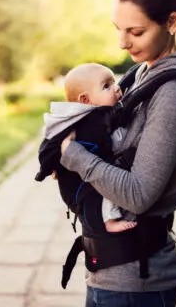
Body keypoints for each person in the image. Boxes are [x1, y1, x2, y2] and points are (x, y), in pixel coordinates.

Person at [59, 0, 176, 307]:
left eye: (135, 32)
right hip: (113, 272)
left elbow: (138, 194)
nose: (122, 43)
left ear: (172, 22)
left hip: (136, 282)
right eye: (118, 29)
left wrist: (74, 155)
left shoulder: (172, 91)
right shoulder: (139, 75)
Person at [42, 62, 137, 233]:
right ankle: (109, 220)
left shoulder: (100, 114)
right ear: (85, 100)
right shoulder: (88, 123)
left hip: (87, 174)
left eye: (114, 82)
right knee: (106, 186)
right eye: (107, 86)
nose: (116, 88)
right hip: (81, 188)